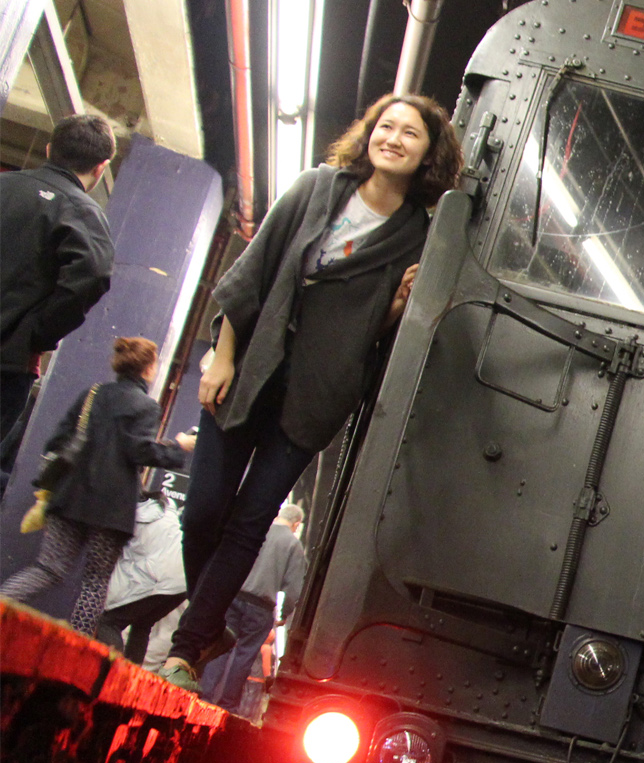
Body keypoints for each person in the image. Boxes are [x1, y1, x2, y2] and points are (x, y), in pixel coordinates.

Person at [159, 94, 462, 691]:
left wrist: (394, 310)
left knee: (250, 521)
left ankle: (185, 651)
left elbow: (370, 332)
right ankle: (208, 624)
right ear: (368, 133)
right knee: (204, 510)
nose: (393, 138)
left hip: (316, 395)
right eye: (385, 126)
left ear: (430, 154)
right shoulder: (315, 188)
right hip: (249, 368)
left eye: (410, 133)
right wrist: (222, 355)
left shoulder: (418, 239)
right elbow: (252, 273)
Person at [0, 338, 194, 637]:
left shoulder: (92, 394)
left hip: (69, 497)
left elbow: (58, 441)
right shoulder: (145, 406)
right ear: (148, 369)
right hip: (111, 510)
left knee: (48, 569)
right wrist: (178, 447)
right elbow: (139, 451)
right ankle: (76, 648)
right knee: (95, 582)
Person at [0, 115, 117, 477]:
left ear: (50, 149)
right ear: (100, 168)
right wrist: (36, 335)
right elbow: (93, 273)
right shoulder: (82, 212)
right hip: (7, 362)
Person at [198, 503, 306, 713]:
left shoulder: (259, 530)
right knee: (245, 654)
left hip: (234, 596)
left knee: (220, 646)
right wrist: (284, 613)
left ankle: (205, 695)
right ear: (296, 524)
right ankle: (227, 704)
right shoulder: (293, 545)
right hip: (261, 607)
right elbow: (293, 588)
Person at [97, 491, 188, 666]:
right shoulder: (165, 507)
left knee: (108, 622)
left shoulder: (130, 516)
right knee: (143, 624)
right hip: (183, 581)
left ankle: (113, 673)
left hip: (161, 575)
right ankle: (131, 677)